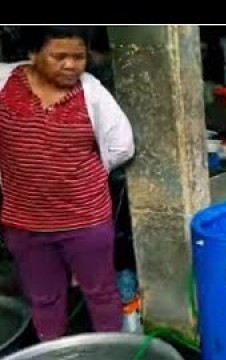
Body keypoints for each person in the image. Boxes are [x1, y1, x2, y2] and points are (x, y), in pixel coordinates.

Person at [0, 26, 135, 341]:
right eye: (59, 56)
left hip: (86, 221)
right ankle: (54, 350)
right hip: (25, 222)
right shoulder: (5, 83)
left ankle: (109, 351)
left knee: (101, 294)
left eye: (78, 56)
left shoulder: (92, 92)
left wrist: (79, 178)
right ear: (33, 55)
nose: (71, 65)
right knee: (44, 299)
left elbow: (121, 146)